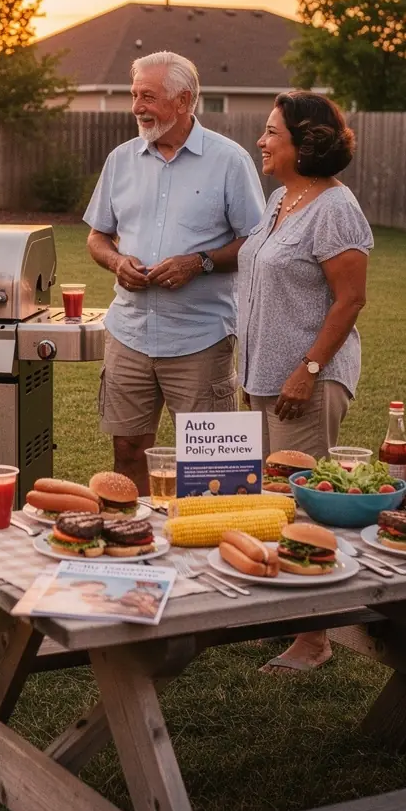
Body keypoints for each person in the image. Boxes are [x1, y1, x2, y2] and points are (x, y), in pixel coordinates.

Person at [83, 51, 265, 494]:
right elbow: (97, 238)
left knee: (209, 464)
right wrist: (116, 262)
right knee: (126, 450)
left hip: (200, 337)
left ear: (183, 100)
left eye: (148, 96)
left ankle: (200, 553)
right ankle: (137, 541)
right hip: (129, 333)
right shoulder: (121, 160)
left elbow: (256, 243)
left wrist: (199, 263)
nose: (136, 107)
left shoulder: (230, 160)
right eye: (134, 95)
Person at [238, 90, 372, 674]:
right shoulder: (281, 199)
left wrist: (308, 370)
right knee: (274, 501)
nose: (261, 142)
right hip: (270, 376)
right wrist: (255, 374)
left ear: (305, 144)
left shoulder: (335, 207)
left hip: (309, 381)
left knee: (305, 507)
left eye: (272, 133)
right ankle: (293, 615)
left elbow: (350, 299)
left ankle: (315, 639)